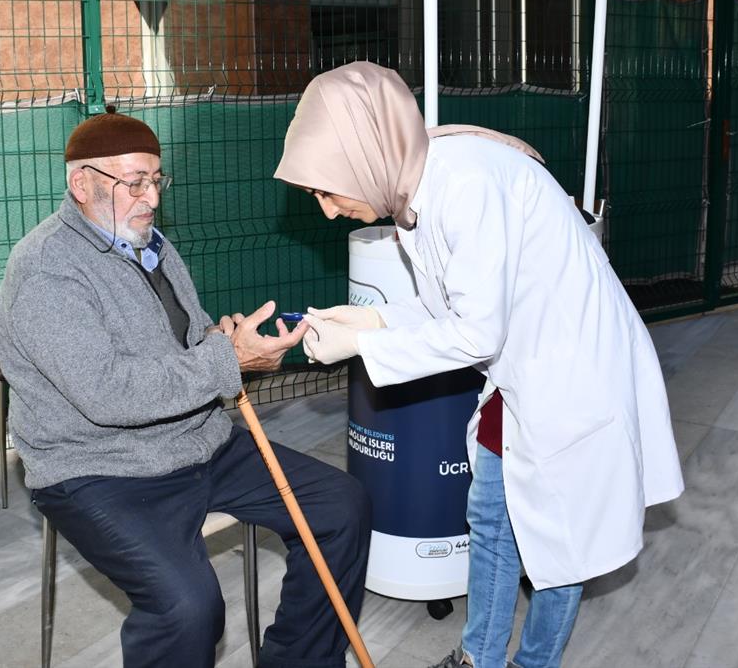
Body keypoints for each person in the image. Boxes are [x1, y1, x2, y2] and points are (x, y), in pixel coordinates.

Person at [274, 62, 684, 668]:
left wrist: (362, 347)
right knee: (491, 518)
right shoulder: (417, 183)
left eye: (326, 191)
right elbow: (453, 302)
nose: (329, 212)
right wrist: (371, 320)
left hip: (571, 380)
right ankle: (479, 659)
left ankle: (532, 663)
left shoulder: (463, 185)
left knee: (560, 541)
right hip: (520, 375)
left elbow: (474, 332)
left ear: (363, 157)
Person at [0, 108, 371, 668]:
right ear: (82, 183)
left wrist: (236, 348)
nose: (150, 197)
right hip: (97, 468)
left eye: (156, 180)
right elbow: (108, 395)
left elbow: (190, 342)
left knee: (342, 505)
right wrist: (225, 360)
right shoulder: (46, 272)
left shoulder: (152, 245)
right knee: (187, 606)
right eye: (134, 182)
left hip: (198, 441)